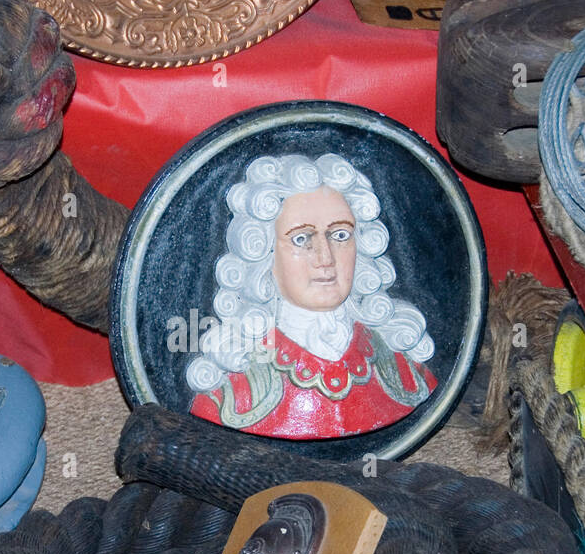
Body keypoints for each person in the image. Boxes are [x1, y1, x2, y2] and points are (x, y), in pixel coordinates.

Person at [187, 153, 436, 438]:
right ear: (264, 254)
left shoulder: (405, 374)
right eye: (301, 239)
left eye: (340, 235)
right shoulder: (233, 395)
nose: (325, 257)